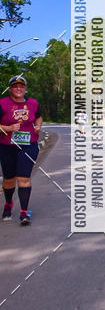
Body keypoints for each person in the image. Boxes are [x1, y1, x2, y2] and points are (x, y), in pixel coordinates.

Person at [0, 76, 42, 225]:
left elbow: (38, 117)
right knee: (9, 180)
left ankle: (24, 212)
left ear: (25, 88)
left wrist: (38, 126)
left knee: (24, 178)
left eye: (21, 86)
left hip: (28, 145)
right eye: (15, 86)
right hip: (7, 147)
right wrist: (8, 128)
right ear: (10, 88)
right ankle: (8, 203)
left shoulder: (33, 103)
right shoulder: (2, 103)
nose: (19, 88)